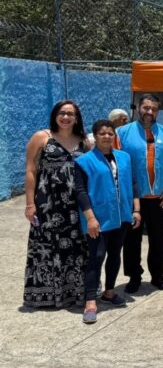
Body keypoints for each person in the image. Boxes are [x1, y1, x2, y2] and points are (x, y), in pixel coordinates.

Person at [23, 100, 89, 308]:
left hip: (75, 204)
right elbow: (30, 171)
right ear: (55, 115)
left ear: (76, 118)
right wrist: (29, 204)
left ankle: (74, 293)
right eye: (62, 113)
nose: (66, 117)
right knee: (47, 246)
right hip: (48, 204)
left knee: (76, 246)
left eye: (70, 114)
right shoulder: (42, 137)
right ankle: (46, 295)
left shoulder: (84, 140)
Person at [75, 120, 140, 324]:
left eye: (110, 133)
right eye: (102, 133)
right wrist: (90, 218)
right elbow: (80, 192)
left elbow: (133, 183)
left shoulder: (124, 157)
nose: (106, 137)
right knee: (97, 256)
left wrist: (136, 209)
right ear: (95, 136)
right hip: (99, 218)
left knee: (114, 254)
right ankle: (90, 301)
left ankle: (109, 292)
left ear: (115, 136)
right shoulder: (84, 161)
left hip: (122, 216)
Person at [117, 94, 163, 293]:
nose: (150, 112)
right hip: (133, 197)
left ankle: (158, 275)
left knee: (159, 239)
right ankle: (134, 276)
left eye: (154, 109)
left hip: (159, 197)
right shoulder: (122, 133)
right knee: (132, 240)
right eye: (146, 108)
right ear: (138, 107)